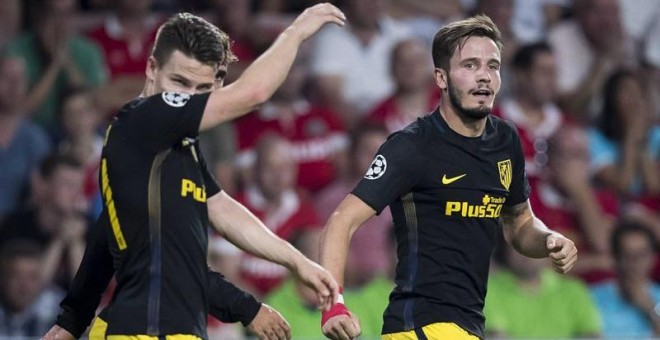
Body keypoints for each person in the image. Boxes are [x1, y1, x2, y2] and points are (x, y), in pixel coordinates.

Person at [41, 5, 346, 340]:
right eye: (178, 83)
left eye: (201, 89)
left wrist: (297, 261)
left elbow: (219, 210)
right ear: (151, 68)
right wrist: (296, 32)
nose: (187, 98)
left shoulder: (174, 147)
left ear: (216, 84)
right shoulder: (142, 120)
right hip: (145, 331)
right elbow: (253, 94)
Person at [318, 15, 577, 340]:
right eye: (469, 65)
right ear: (440, 78)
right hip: (417, 328)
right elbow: (341, 221)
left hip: (469, 327)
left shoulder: (506, 141)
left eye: (492, 66)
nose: (484, 76)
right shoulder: (411, 146)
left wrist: (548, 240)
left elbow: (519, 224)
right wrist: (334, 305)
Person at [484, 234, 601, 338]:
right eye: (518, 245)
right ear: (505, 251)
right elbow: (495, 337)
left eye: (534, 244)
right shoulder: (489, 290)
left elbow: (592, 335)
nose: (527, 252)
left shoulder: (574, 289)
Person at [590, 220, 660, 338]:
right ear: (615, 258)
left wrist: (650, 308)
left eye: (641, 254)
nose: (635, 262)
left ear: (653, 257)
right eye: (627, 254)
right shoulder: (593, 297)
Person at [0, 240, 65, 337]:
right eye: (16, 276)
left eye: (32, 277)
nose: (24, 286)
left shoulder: (56, 307)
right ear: (3, 279)